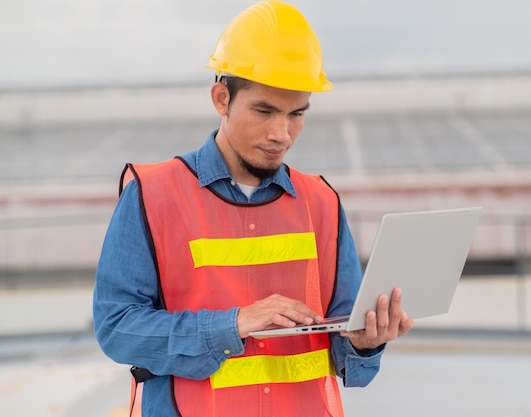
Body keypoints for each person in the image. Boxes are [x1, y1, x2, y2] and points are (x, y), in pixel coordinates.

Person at [93, 1, 414, 416]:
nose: (281, 134)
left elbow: (344, 351)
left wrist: (365, 341)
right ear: (221, 97)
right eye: (264, 111)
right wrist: (233, 324)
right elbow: (117, 329)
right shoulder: (152, 195)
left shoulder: (321, 202)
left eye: (296, 114)